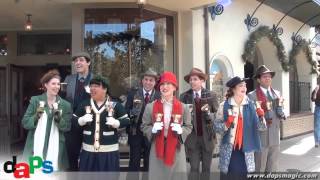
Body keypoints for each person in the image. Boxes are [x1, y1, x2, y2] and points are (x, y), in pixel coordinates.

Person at [141, 71, 192, 180]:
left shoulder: (184, 107)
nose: (165, 87)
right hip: (157, 150)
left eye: (168, 84)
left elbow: (189, 126)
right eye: (162, 84)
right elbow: (144, 126)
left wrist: (181, 130)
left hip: (177, 150)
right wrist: (152, 129)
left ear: (174, 87)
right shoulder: (150, 107)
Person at [73, 75, 130, 171]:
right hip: (88, 152)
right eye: (91, 86)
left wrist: (116, 123)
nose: (92, 88)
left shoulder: (115, 105)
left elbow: (126, 120)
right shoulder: (84, 104)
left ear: (105, 89)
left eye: (96, 86)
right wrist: (81, 120)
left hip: (109, 152)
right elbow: (73, 121)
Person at [213, 76, 265, 180]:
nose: (244, 88)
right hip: (230, 150)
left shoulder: (252, 105)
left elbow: (262, 127)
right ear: (233, 89)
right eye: (241, 86)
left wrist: (261, 117)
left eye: (245, 85)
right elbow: (216, 127)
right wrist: (226, 124)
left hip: (246, 150)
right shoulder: (224, 105)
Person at [22, 69, 72, 171]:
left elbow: (66, 127)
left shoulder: (66, 105)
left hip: (56, 147)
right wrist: (37, 114)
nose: (57, 86)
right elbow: (25, 123)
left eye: (58, 84)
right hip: (35, 146)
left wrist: (57, 115)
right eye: (53, 83)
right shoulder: (35, 101)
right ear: (46, 85)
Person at [179, 68, 219, 180]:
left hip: (208, 137)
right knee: (194, 168)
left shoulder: (211, 95)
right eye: (191, 79)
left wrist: (209, 114)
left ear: (202, 81)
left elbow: (217, 115)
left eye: (195, 79)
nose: (192, 82)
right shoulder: (184, 97)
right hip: (192, 138)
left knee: (206, 168)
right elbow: (179, 117)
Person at [248, 65, 286, 172]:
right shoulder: (252, 96)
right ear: (259, 80)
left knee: (273, 167)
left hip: (275, 135)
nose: (268, 78)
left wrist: (283, 113)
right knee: (259, 167)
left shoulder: (277, 93)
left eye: (269, 76)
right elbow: (250, 118)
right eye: (264, 76)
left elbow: (280, 110)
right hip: (261, 137)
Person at [126, 69, 161, 172]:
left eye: (151, 80)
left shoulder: (159, 96)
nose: (148, 82)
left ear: (155, 82)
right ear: (142, 80)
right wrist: (132, 113)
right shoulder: (133, 94)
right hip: (135, 132)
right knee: (134, 161)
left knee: (149, 162)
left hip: (151, 133)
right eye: (146, 79)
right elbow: (126, 110)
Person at [63, 52, 93, 171]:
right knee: (71, 156)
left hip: (90, 124)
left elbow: (103, 99)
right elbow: (63, 99)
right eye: (76, 61)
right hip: (72, 124)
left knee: (90, 157)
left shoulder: (96, 79)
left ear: (88, 62)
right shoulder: (68, 79)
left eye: (81, 60)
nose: (78, 63)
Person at [312, 82, 320, 148]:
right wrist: (316, 91)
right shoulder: (316, 89)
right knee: (317, 126)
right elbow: (313, 99)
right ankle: (317, 141)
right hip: (318, 109)